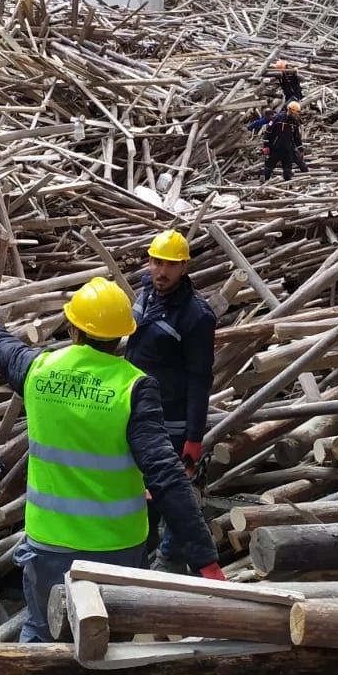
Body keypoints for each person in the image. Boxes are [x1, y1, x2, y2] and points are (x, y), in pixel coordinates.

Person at [0, 271, 223, 641]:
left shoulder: (38, 370)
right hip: (117, 549)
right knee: (111, 640)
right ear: (123, 336)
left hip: (50, 545)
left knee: (44, 634)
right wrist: (206, 559)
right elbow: (165, 475)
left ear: (73, 327)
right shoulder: (134, 387)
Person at [125, 230, 216, 573]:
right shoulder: (145, 293)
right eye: (156, 261)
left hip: (171, 423)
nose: (161, 271)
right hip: (133, 413)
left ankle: (170, 558)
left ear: (184, 268)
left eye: (170, 265)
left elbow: (200, 377)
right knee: (137, 493)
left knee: (172, 493)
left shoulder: (196, 316)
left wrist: (194, 436)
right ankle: (137, 557)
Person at [262, 100, 307, 181]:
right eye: (294, 114)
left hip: (288, 148)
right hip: (276, 148)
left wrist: (301, 149)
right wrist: (266, 146)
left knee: (287, 169)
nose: (296, 116)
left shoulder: (294, 122)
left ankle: (287, 184)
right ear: (290, 111)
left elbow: (297, 137)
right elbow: (268, 132)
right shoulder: (277, 119)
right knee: (269, 166)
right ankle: (264, 182)